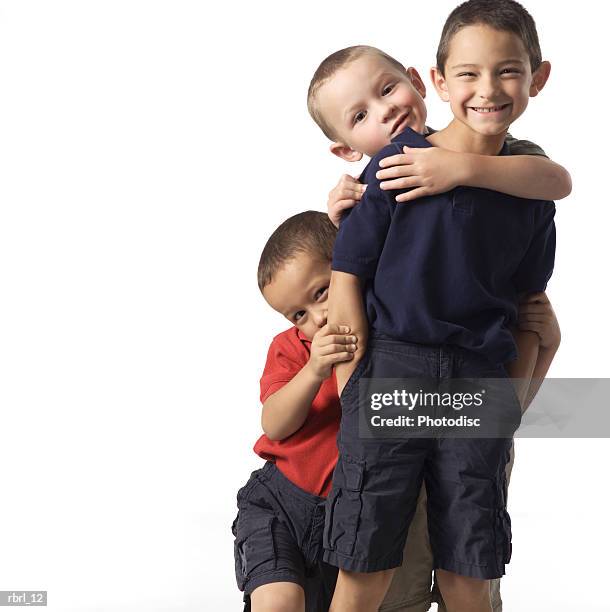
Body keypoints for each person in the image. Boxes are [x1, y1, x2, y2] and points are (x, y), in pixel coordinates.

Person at [306, 1, 560, 610]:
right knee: (367, 560)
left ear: (536, 78)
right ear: (442, 81)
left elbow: (529, 301)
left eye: (508, 71)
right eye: (469, 74)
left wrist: (509, 397)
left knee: (470, 565)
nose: (488, 89)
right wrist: (352, 382)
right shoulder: (391, 166)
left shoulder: (528, 180)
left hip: (477, 379)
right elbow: (347, 272)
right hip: (395, 366)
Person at [232, 210, 560, 612]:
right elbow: (274, 424)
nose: (317, 318)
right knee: (283, 599)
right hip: (286, 500)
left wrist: (547, 345)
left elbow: (498, 414)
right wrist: (314, 369)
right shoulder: (295, 348)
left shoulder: (397, 338)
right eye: (298, 315)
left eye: (320, 293)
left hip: (362, 507)